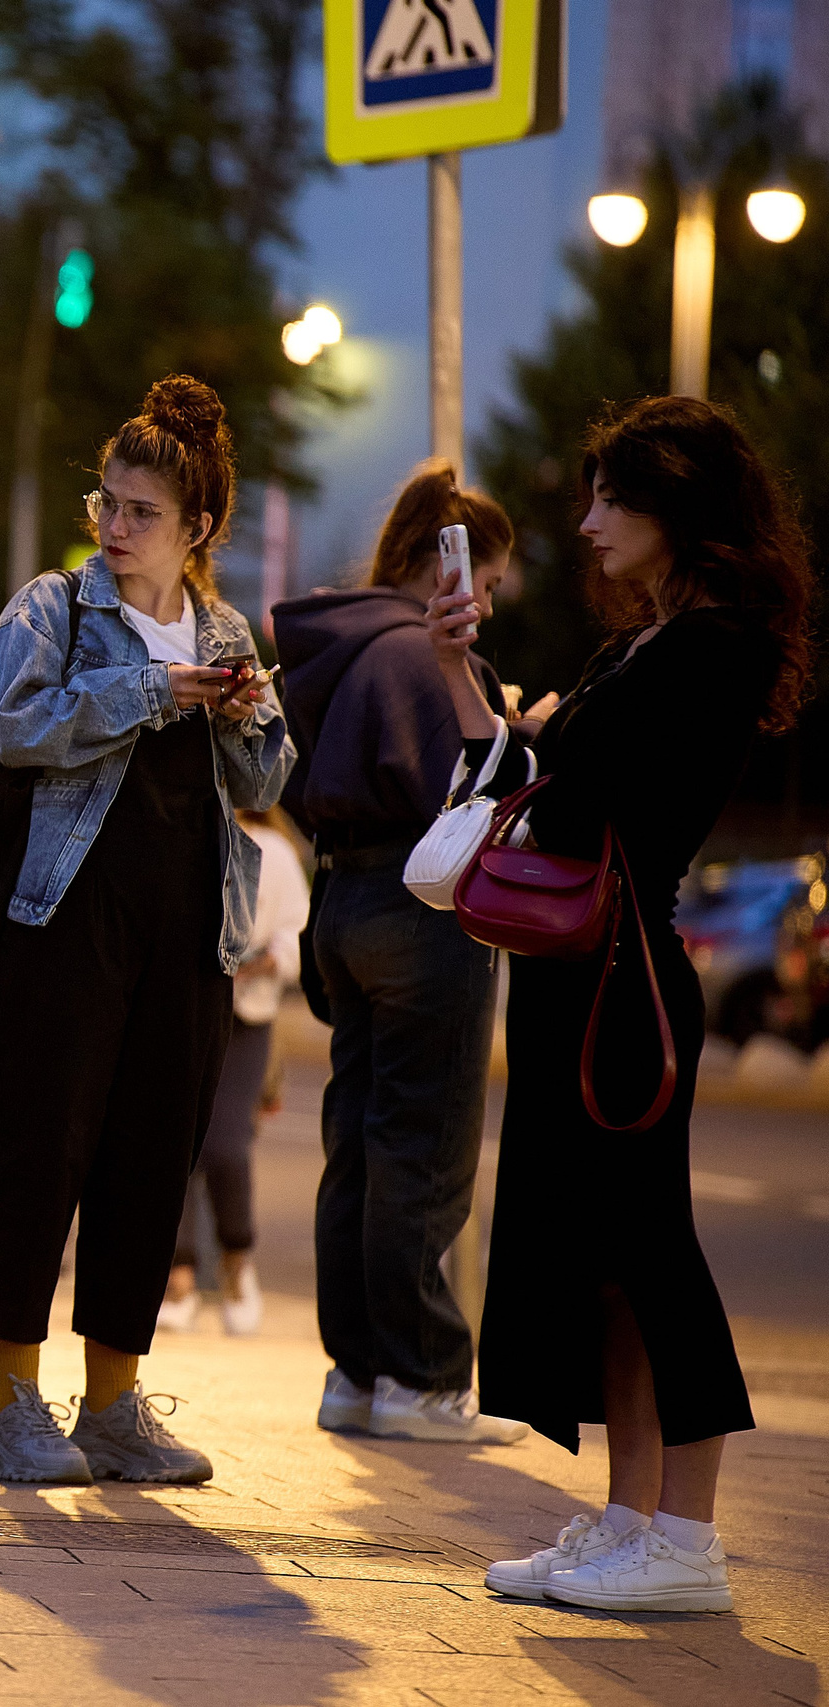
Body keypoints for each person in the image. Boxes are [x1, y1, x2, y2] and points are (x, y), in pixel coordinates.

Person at [430, 396, 812, 1614]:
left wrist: (545, 738)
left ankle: (686, 1539)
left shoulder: (714, 647)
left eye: (611, 500)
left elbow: (583, 801)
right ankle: (628, 1519)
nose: (587, 522)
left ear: (675, 512)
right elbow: (553, 771)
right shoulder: (651, 641)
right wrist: (481, 683)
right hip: (576, 977)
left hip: (623, 983)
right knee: (595, 1260)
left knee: (649, 1253)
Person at [0, 375, 291, 1486]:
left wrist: (243, 714)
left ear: (199, 528)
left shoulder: (225, 625)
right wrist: (151, 689)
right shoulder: (54, 607)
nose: (116, 525)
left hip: (190, 928)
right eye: (108, 502)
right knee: (40, 1155)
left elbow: (268, 774)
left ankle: (111, 1404)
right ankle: (10, 1406)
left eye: (142, 512)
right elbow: (13, 726)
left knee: (153, 1163)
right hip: (63, 922)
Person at [273, 461, 531, 1440]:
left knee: (360, 1144)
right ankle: (421, 1380)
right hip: (422, 909)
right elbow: (465, 788)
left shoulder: (341, 647)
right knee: (420, 1150)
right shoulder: (424, 656)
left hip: (341, 898)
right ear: (446, 564)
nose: (488, 607)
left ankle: (356, 1373)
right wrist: (521, 727)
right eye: (488, 582)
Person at [155, 805, 304, 1337]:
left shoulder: (277, 850)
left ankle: (237, 1262)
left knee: (225, 1145)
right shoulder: (186, 823)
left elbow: (292, 942)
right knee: (175, 1142)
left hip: (247, 1013)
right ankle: (177, 1277)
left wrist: (258, 961)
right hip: (181, 1006)